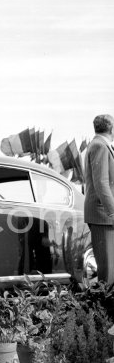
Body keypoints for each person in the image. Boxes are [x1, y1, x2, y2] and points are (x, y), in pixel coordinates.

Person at [84, 114, 114, 284]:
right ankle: (105, 308)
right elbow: (101, 184)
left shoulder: (100, 145)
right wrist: (113, 213)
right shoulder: (100, 146)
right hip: (103, 216)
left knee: (109, 268)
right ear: (111, 128)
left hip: (104, 215)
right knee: (108, 271)